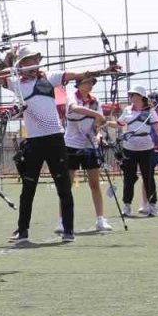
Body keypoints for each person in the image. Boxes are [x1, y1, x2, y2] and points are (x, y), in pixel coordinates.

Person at [1, 45, 117, 243]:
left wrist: (104, 70)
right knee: (28, 188)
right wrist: (10, 60)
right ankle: (23, 230)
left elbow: (77, 74)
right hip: (34, 142)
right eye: (29, 60)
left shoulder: (49, 77)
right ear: (21, 63)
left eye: (35, 59)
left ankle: (68, 230)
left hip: (55, 138)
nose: (34, 63)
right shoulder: (15, 82)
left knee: (64, 185)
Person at [60, 75, 112, 232]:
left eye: (92, 83)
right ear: (79, 84)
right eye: (87, 82)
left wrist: (98, 133)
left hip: (89, 146)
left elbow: (99, 123)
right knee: (66, 185)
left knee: (94, 184)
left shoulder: (96, 101)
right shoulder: (71, 97)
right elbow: (74, 108)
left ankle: (100, 220)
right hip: (71, 145)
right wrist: (96, 114)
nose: (90, 85)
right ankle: (62, 221)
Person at [115, 86, 158, 217]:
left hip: (146, 148)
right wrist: (106, 123)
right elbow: (120, 123)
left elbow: (157, 129)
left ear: (141, 96)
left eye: (133, 95)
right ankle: (127, 206)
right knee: (128, 178)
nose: (131, 97)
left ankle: (152, 205)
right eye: (130, 95)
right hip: (129, 147)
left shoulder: (150, 111)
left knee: (148, 177)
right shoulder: (127, 110)